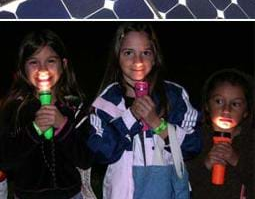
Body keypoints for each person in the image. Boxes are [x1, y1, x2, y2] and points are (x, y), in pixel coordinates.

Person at [86, 22, 201, 199]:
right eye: (128, 53)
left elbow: (193, 145)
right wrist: (130, 117)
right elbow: (101, 153)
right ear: (117, 57)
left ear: (155, 57)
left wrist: (157, 123)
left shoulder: (174, 95)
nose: (137, 61)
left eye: (145, 53)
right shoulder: (106, 101)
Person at [0, 29, 93, 199]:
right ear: (22, 68)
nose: (43, 69)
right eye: (33, 62)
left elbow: (85, 159)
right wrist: (34, 130)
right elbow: (6, 160)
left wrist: (63, 126)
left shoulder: (75, 107)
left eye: (51, 61)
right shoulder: (15, 109)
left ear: (63, 65)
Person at [186, 68, 254, 199]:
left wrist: (236, 160)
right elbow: (181, 181)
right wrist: (205, 164)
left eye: (235, 104)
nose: (226, 110)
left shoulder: (250, 142)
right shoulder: (193, 138)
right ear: (207, 105)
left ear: (246, 111)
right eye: (219, 101)